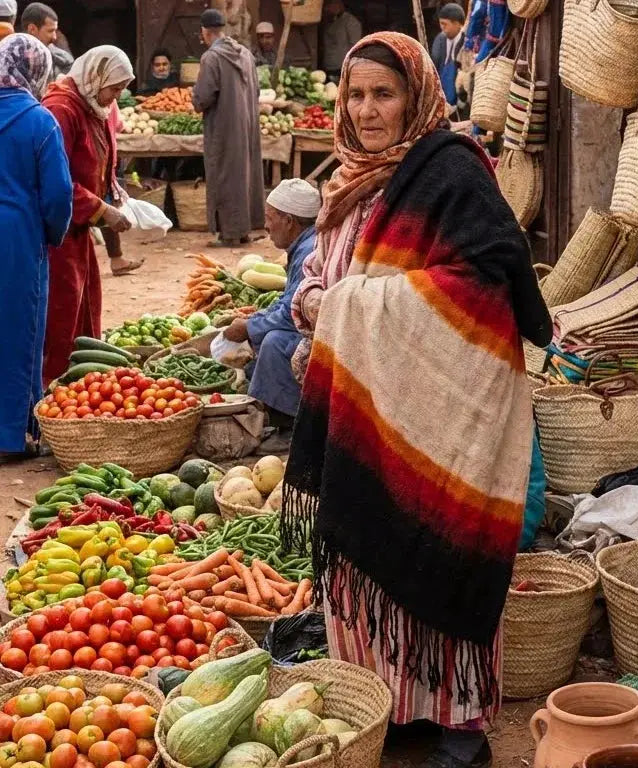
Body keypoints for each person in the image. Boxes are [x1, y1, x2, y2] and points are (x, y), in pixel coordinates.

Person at [281, 34, 551, 768]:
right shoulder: (347, 180)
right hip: (365, 407)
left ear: (418, 97)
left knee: (441, 542)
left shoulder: (453, 174)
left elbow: (483, 292)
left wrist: (350, 305)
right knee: (366, 554)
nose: (368, 111)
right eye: (357, 95)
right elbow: (319, 276)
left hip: (447, 408)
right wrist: (316, 299)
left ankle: (460, 720)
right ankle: (393, 703)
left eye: (385, 94)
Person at [42, 45, 135, 385]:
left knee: (85, 301)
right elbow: (55, 179)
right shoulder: (61, 109)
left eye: (123, 89)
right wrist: (100, 208)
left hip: (80, 227)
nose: (117, 96)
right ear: (95, 77)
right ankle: (54, 389)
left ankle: (80, 383)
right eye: (114, 88)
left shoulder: (96, 105)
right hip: (59, 228)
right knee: (62, 311)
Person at [0, 34, 72, 457]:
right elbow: (59, 195)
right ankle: (11, 436)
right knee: (19, 330)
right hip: (17, 238)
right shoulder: (40, 121)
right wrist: (51, 233)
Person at [223, 179, 320, 446]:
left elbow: (294, 312)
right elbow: (291, 299)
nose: (266, 227)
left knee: (275, 341)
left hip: (323, 335)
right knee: (268, 333)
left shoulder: (309, 251)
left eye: (270, 218)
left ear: (289, 221)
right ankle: (276, 418)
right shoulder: (304, 245)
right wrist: (256, 319)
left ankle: (289, 427)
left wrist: (248, 327)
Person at [193, 8, 264, 247]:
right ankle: (243, 230)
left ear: (205, 31)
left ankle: (230, 234)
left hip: (223, 129)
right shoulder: (245, 53)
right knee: (244, 175)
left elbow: (203, 97)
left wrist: (194, 101)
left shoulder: (211, 58)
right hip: (246, 126)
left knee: (224, 176)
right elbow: (257, 91)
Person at [431, 3, 466, 117]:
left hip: (460, 101)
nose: (442, 27)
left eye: (445, 24)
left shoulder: (467, 44)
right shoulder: (440, 39)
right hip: (440, 96)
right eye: (441, 24)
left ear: (457, 24)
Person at [21, 3, 73, 77]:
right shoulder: (8, 60)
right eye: (50, 31)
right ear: (32, 29)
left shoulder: (63, 62)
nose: (54, 37)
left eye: (55, 31)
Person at [321, 0, 361, 79]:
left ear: (339, 4)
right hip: (328, 66)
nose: (326, 8)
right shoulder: (329, 21)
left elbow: (355, 46)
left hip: (341, 67)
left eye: (330, 5)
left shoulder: (351, 21)